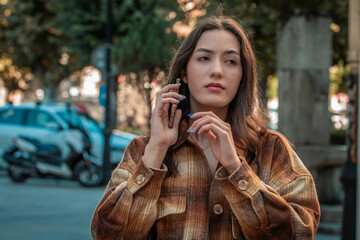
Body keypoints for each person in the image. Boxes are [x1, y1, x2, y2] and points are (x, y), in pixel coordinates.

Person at [91, 15, 320, 240]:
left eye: (231, 61)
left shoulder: (271, 149)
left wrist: (236, 169)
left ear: (242, 75)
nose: (217, 71)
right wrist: (156, 151)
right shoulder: (142, 150)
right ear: (184, 72)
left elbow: (301, 231)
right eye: (204, 58)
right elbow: (107, 235)